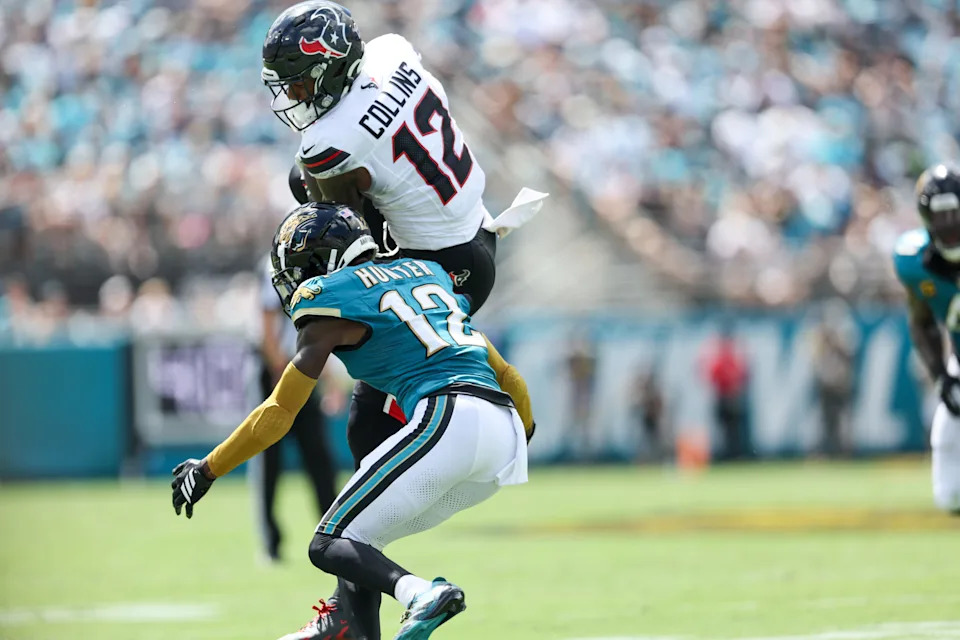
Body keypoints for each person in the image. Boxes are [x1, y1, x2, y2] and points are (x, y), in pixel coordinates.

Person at [259, 4, 544, 637]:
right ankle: (349, 612)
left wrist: (311, 196)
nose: (296, 96)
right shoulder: (390, 51)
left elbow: (346, 231)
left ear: (330, 65)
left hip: (442, 261)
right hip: (474, 236)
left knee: (367, 424)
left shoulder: (326, 142)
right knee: (368, 428)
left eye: (302, 80)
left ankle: (352, 618)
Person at [171, 203, 535, 640]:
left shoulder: (327, 295)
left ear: (324, 262)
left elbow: (279, 411)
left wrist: (208, 468)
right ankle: (346, 623)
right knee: (361, 538)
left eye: (301, 267)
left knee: (327, 542)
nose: (296, 280)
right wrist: (523, 433)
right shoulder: (425, 271)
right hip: (502, 433)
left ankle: (419, 593)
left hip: (446, 417)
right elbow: (509, 376)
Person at [253, 257, 339, 562]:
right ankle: (270, 541)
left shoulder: (320, 263)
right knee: (270, 461)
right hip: (282, 369)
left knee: (319, 458)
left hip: (305, 367)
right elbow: (267, 321)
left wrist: (325, 378)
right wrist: (279, 369)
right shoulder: (275, 265)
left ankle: (334, 535)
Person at [892, 163, 960, 515]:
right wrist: (940, 376)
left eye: (955, 214)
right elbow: (921, 322)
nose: (948, 224)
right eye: (940, 215)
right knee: (948, 494)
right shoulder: (914, 261)